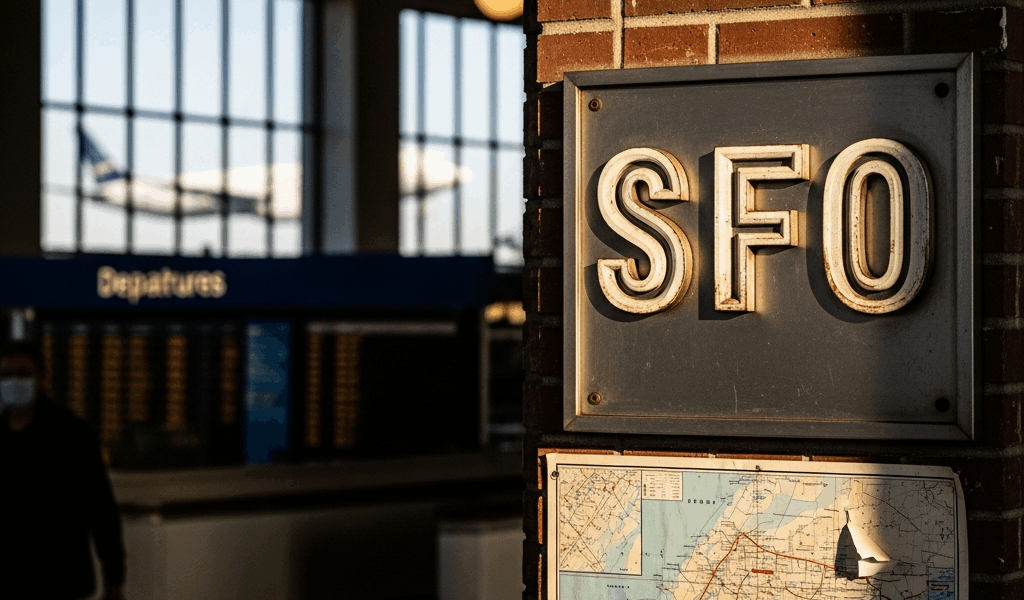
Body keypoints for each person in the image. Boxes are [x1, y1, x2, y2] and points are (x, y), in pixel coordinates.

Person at [0, 340, 126, 600]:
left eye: (23, 374)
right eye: (6, 375)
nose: (13, 382)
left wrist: (114, 579)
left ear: (41, 378)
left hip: (60, 580)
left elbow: (101, 509)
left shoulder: (72, 435)